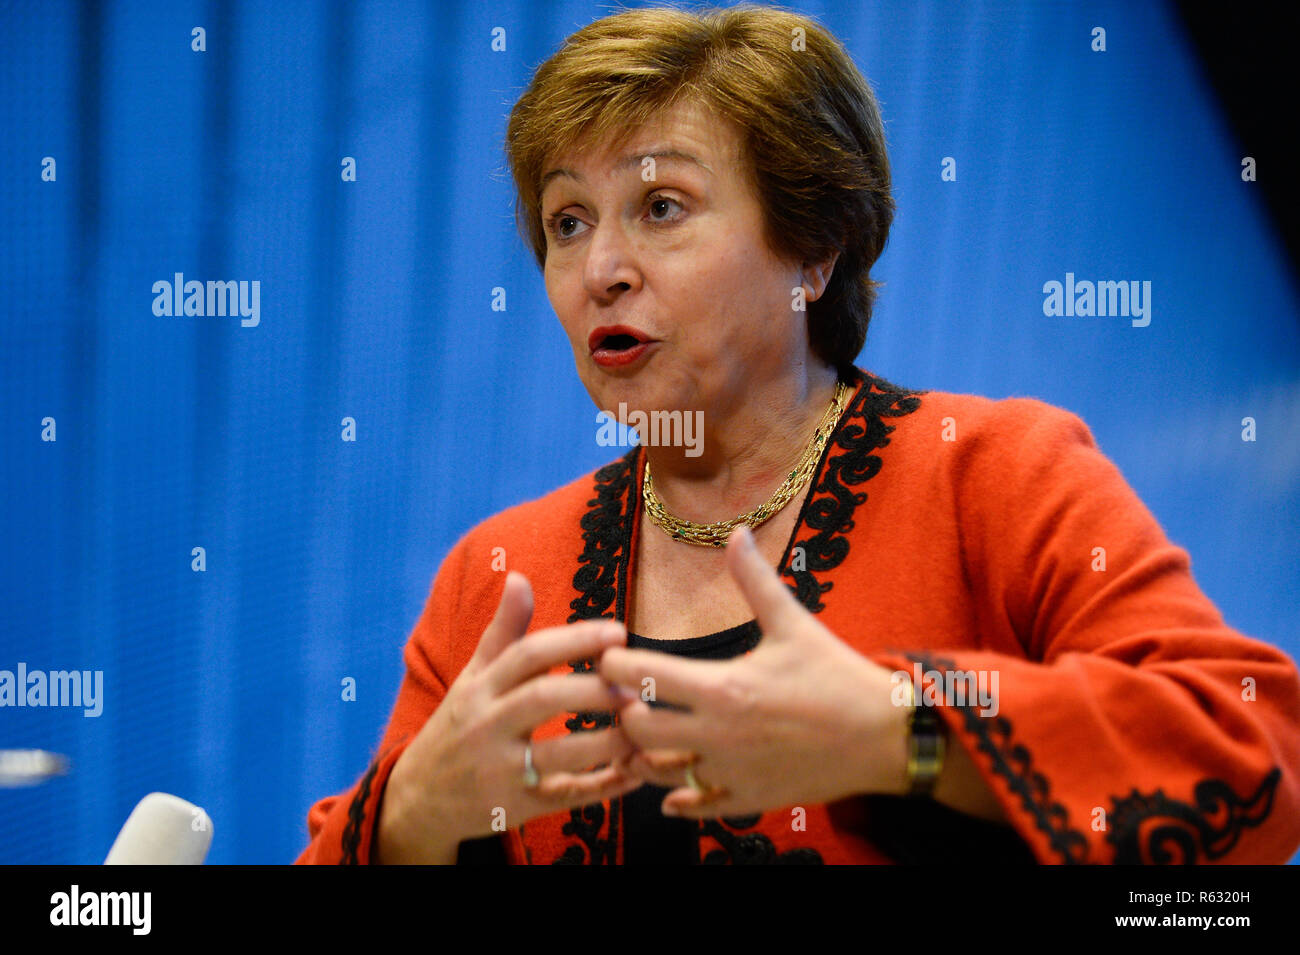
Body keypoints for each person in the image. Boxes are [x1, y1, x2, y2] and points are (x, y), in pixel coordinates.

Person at [295, 4, 1300, 865]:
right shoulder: (497, 573)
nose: (601, 266)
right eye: (566, 222)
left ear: (811, 253)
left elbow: (1253, 750)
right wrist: (409, 822)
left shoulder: (992, 472)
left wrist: (896, 732)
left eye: (660, 206)